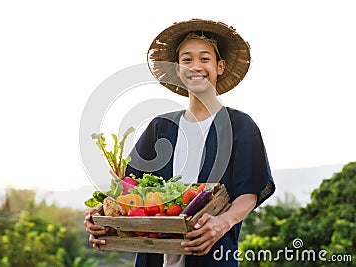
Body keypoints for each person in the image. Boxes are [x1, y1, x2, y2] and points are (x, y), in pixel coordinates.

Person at [84, 19, 275, 267]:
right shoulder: (160, 127)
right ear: (177, 69)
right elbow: (130, 189)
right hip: (153, 256)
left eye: (204, 59)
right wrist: (100, 216)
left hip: (211, 254)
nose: (196, 66)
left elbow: (249, 191)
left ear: (220, 66)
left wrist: (223, 222)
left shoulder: (240, 126)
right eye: (187, 59)